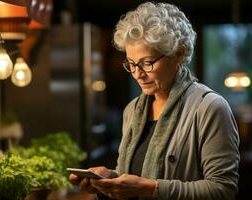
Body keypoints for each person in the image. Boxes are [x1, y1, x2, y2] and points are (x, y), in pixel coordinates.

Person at [70, 2, 240, 200]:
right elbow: (134, 178)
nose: (137, 74)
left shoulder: (210, 108)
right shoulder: (132, 110)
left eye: (146, 63)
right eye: (131, 64)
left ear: (179, 54)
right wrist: (109, 180)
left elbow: (223, 190)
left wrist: (150, 189)